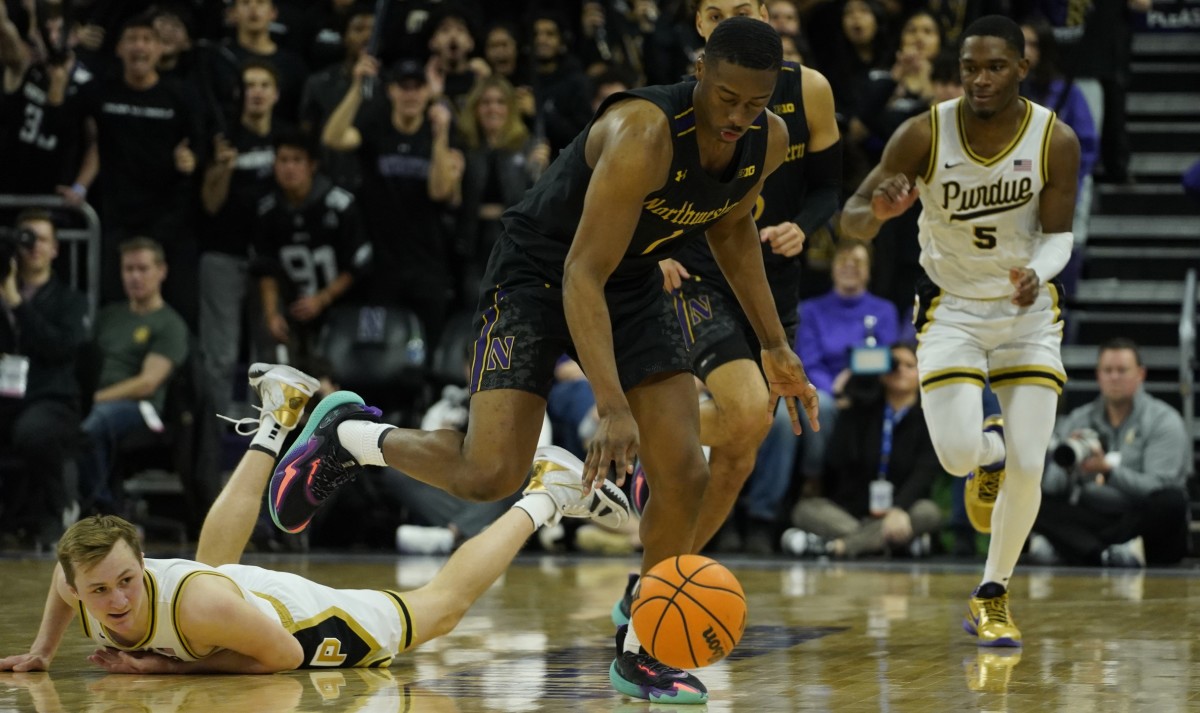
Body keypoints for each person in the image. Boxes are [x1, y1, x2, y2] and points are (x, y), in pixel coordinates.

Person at [270, 17, 817, 704]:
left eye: (756, 102)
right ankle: (348, 436)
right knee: (489, 472)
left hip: (632, 276)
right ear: (701, 69)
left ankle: (643, 648)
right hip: (538, 270)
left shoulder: (767, 140)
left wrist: (773, 343)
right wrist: (612, 406)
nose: (740, 116)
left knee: (681, 468)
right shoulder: (646, 133)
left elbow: (734, 226)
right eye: (728, 97)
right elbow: (580, 273)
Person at [0, 363, 629, 675]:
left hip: (302, 624)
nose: (113, 600)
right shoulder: (78, 582)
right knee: (210, 570)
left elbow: (278, 658)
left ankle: (548, 492)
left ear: (142, 565)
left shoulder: (197, 609)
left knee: (441, 609)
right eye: (100, 590)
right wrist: (41, 651)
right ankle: (281, 415)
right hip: (229, 604)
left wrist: (170, 668)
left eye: (125, 581)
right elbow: (61, 594)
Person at [840, 15, 1081, 648]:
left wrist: (1037, 271)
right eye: (970, 67)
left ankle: (991, 592)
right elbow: (851, 219)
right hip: (952, 307)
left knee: (1032, 464)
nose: (980, 78)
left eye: (995, 66)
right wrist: (882, 211)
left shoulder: (1055, 139)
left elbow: (1059, 237)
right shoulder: (923, 132)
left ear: (1021, 69)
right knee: (955, 454)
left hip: (1027, 312)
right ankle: (987, 452)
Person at [642, 0, 840, 558]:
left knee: (742, 447)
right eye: (716, 11)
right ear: (701, 27)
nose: (732, 18)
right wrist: (653, 252)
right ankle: (641, 430)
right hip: (698, 274)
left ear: (768, 14)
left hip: (772, 281)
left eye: (745, 8)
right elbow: (636, 191)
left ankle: (655, 583)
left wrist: (803, 227)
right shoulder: (677, 103)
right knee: (749, 411)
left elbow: (829, 186)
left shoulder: (809, 91)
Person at [1032, 338, 1190, 567]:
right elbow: (1051, 488)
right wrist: (1065, 464)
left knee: (1172, 502)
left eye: (1122, 370)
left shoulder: (1163, 420)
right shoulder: (1079, 418)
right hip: (1093, 514)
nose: (1114, 377)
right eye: (1108, 370)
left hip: (1139, 517)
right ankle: (1108, 554)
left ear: (1140, 374)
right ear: (1098, 375)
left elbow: (1158, 486)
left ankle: (1075, 547)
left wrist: (1108, 471)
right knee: (1030, 499)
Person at [782, 342, 943, 559]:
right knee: (805, 509)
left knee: (928, 512)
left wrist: (898, 508)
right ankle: (893, 544)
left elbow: (925, 472)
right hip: (852, 513)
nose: (900, 370)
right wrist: (850, 400)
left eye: (909, 365)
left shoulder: (929, 418)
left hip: (901, 510)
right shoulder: (863, 411)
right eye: (893, 364)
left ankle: (836, 547)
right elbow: (837, 460)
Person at [76, 238, 189, 515]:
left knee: (92, 424)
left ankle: (101, 510)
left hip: (143, 408)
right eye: (128, 269)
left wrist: (93, 399)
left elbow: (147, 383)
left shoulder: (169, 323)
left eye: (142, 268)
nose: (135, 276)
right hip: (96, 400)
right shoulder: (109, 316)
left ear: (161, 271)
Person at [0, 211, 90, 545]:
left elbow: (59, 347)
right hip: (7, 397)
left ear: (55, 249)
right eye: (26, 237)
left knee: (33, 432)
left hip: (51, 399)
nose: (33, 246)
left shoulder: (70, 300)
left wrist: (17, 304)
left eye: (42, 239)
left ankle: (57, 510)